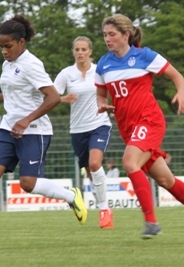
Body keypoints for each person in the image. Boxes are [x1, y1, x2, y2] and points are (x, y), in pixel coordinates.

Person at [0, 15, 88, 251]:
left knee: (28, 183)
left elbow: (53, 97)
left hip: (34, 130)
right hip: (9, 127)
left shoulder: (32, 64)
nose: (4, 51)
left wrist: (27, 120)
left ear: (21, 42)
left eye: (8, 46)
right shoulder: (8, 64)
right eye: (1, 47)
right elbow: (13, 90)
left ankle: (70, 195)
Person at [95, 14, 184, 242]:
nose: (107, 39)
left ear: (126, 35)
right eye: (104, 35)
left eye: (112, 34)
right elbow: (100, 95)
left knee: (129, 162)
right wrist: (102, 105)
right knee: (165, 180)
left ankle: (151, 221)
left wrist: (180, 92)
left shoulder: (144, 55)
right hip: (127, 128)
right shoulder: (103, 63)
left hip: (149, 121)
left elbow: (176, 75)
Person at [54, 36, 113, 228]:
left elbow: (112, 90)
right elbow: (51, 97)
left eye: (83, 49)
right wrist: (64, 99)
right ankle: (100, 204)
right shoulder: (66, 74)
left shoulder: (99, 70)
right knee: (89, 171)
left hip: (99, 124)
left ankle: (105, 210)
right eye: (77, 49)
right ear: (73, 52)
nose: (80, 53)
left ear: (90, 52)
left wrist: (110, 105)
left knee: (95, 164)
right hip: (78, 129)